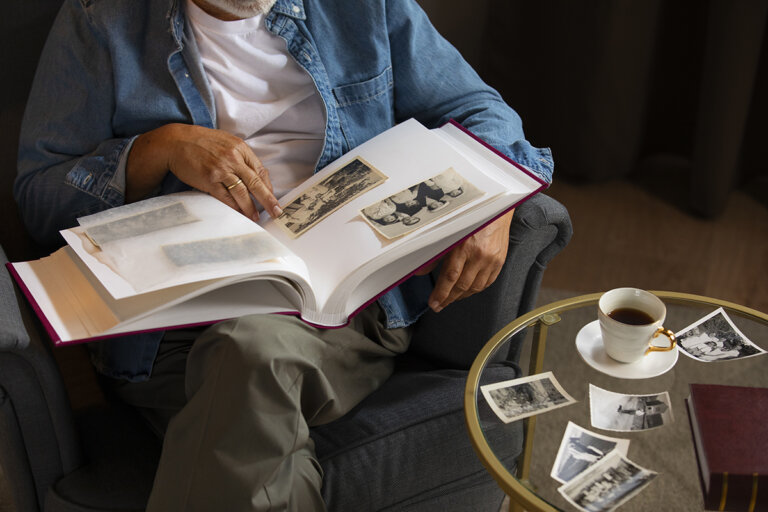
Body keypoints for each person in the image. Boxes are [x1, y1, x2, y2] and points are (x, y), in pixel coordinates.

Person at [14, 0, 554, 510]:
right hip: (171, 323)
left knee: (251, 350)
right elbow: (39, 198)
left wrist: (499, 201)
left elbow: (479, 109)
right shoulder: (100, 19)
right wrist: (160, 149)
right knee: (250, 372)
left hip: (343, 307)